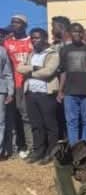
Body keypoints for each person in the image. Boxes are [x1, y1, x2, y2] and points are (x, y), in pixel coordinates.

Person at [17, 28, 60, 162]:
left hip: (46, 94)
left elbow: (48, 72)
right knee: (36, 125)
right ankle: (38, 151)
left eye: (37, 37)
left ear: (45, 38)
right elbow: (19, 68)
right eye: (32, 38)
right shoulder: (31, 54)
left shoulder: (52, 54)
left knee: (49, 124)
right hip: (31, 93)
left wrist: (29, 72)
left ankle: (51, 152)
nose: (34, 40)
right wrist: (34, 68)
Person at [58, 23, 86, 145]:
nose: (77, 34)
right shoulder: (64, 50)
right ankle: (74, 147)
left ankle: (85, 147)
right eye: (75, 31)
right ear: (70, 33)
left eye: (80, 32)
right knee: (72, 122)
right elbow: (63, 72)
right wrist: (60, 91)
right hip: (70, 92)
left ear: (83, 34)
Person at [4, 14, 33, 157]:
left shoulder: (31, 41)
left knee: (27, 115)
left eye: (18, 22)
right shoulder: (7, 42)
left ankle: (31, 146)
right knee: (12, 116)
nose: (14, 25)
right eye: (12, 22)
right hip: (12, 84)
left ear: (25, 25)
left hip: (27, 83)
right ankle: (18, 146)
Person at [0, 44, 14, 161]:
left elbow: (8, 73)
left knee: (0, 121)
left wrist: (10, 92)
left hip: (0, 90)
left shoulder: (2, 51)